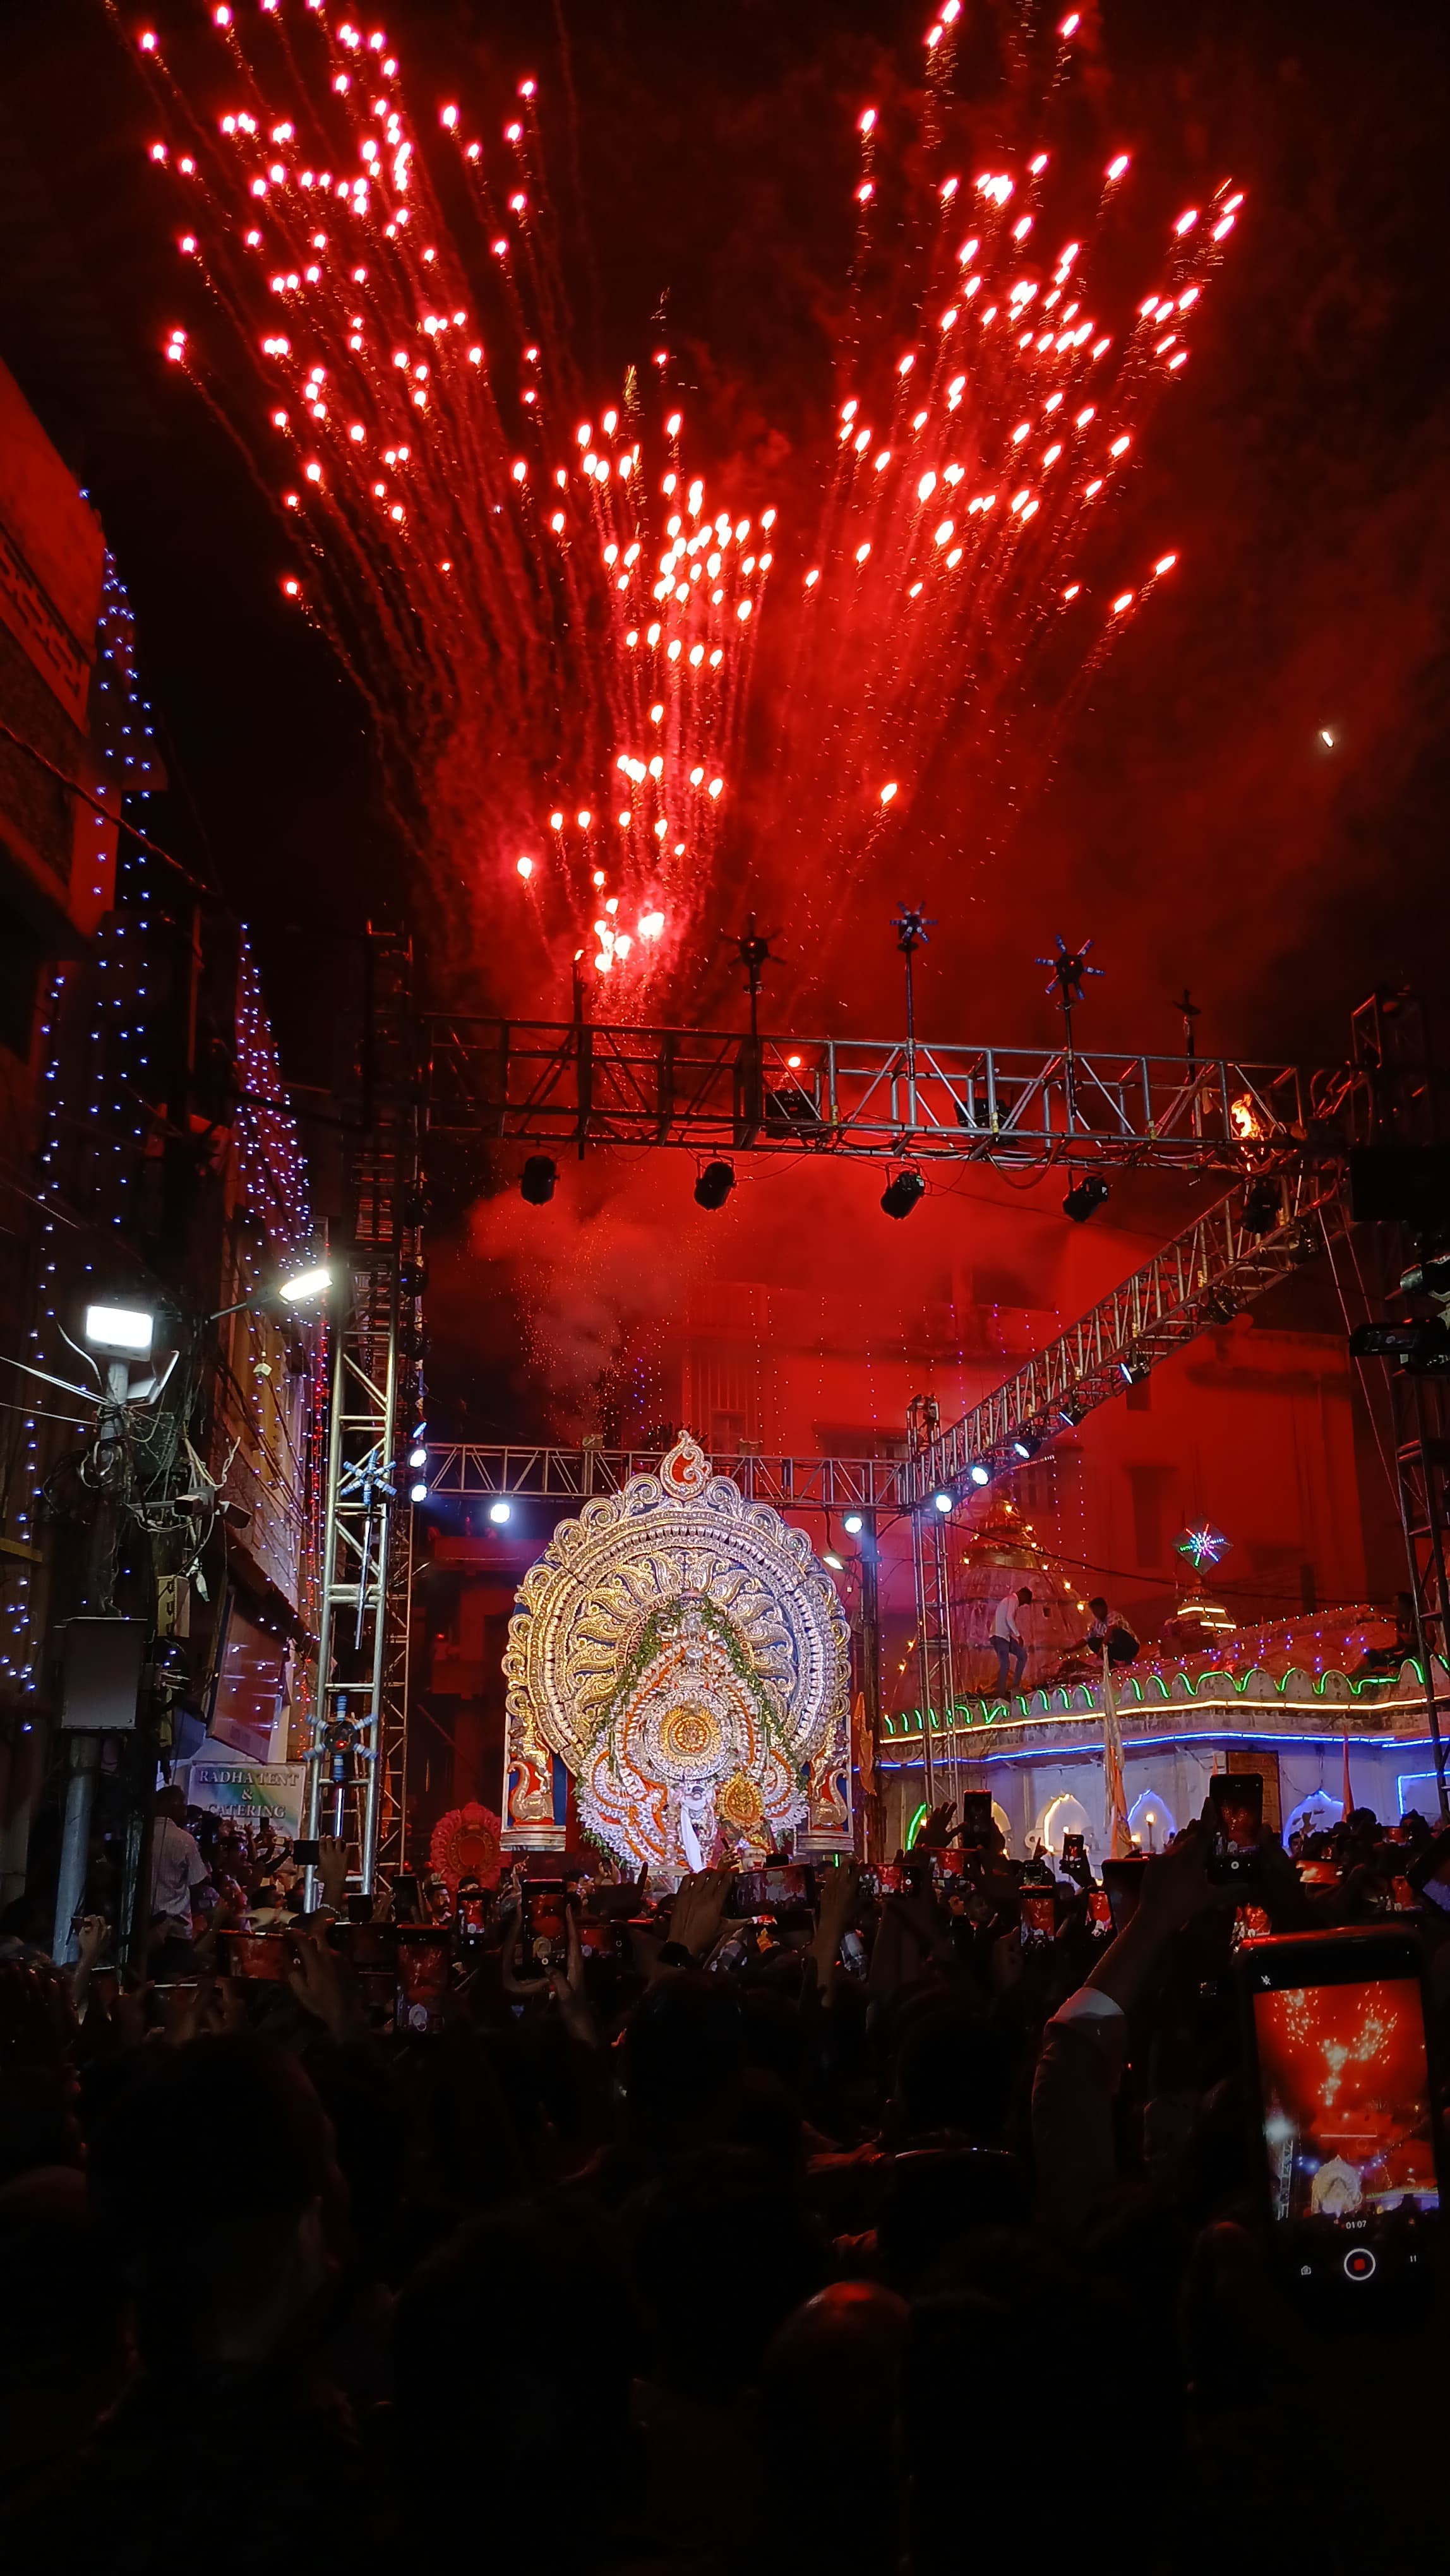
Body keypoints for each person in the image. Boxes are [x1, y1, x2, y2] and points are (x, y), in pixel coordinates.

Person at [146, 1786, 209, 1976]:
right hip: (176, 1929)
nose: (185, 1812)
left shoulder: (142, 1834)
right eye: (183, 1806)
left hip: (144, 1926)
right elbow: (198, 1884)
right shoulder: (184, 1840)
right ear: (173, 1805)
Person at [990, 1587, 1032, 1694]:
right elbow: (1009, 1618)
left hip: (1004, 1637)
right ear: (1023, 1596)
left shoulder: (1009, 1600)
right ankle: (1001, 1693)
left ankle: (1014, 1687)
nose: (1022, 1605)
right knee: (1005, 1664)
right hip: (1000, 1637)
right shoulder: (1013, 1600)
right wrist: (1018, 1636)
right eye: (1024, 1602)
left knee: (1022, 1655)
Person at [1079, 1594, 1139, 1667]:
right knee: (1092, 1641)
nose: (1096, 1614)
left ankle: (1128, 1660)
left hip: (1131, 1647)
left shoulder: (1114, 1615)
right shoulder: (1096, 1623)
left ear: (1104, 1608)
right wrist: (1070, 1650)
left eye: (1098, 1610)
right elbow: (1086, 1639)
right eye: (1094, 1611)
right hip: (1118, 1650)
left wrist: (1102, 1647)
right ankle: (1111, 1665)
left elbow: (1111, 1629)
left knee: (1117, 1633)